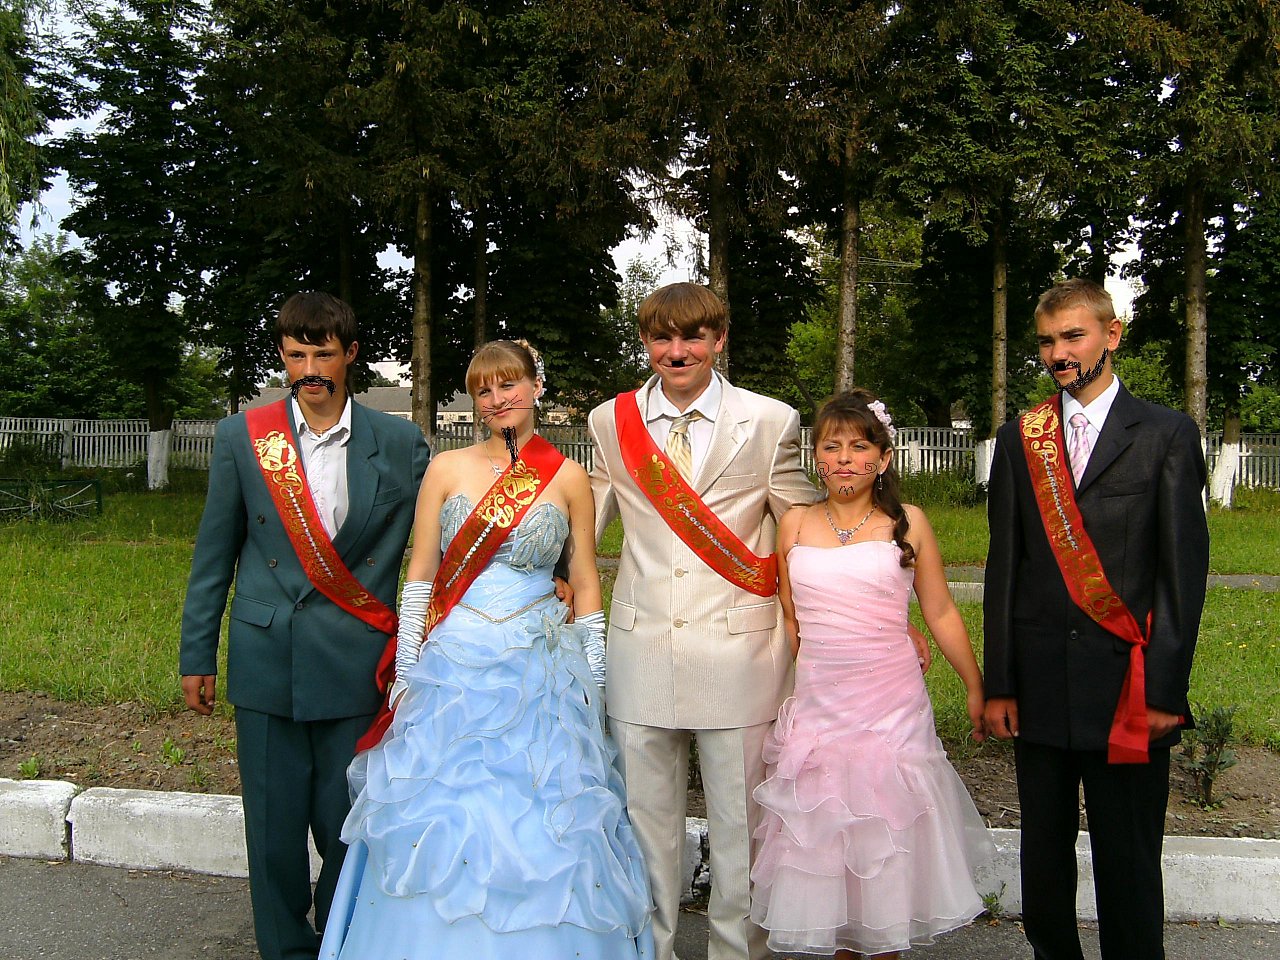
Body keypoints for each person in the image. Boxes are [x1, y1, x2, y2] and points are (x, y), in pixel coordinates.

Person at [319, 340, 653, 960]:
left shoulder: (568, 477)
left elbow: (585, 582)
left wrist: (596, 681)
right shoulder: (446, 468)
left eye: (508, 385)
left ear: (536, 386)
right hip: (454, 664)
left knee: (546, 813)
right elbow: (421, 574)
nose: (497, 400)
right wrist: (408, 668)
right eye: (483, 390)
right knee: (443, 808)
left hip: (541, 667)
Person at [179, 292, 431, 960]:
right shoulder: (244, 437)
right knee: (273, 833)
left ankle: (340, 945)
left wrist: (551, 564)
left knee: (347, 825)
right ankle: (284, 950)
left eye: (324, 353)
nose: (310, 369)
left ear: (351, 355)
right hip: (267, 659)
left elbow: (452, 529)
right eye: (297, 355)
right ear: (283, 357)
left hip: (356, 662)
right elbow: (214, 556)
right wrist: (196, 653)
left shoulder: (400, 443)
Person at [587, 282, 819, 960]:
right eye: (662, 337)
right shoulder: (609, 422)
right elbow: (581, 524)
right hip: (640, 649)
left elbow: (802, 528)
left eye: (693, 336)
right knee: (644, 827)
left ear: (719, 340)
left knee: (742, 827)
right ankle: (650, 950)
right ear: (645, 343)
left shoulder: (770, 419)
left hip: (740, 654)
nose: (678, 350)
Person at [983, 278, 1210, 960]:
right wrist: (1001, 684)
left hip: (1128, 688)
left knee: (1129, 860)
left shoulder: (1167, 434)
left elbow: (1182, 575)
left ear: (1111, 335)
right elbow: (1004, 569)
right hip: (1041, 685)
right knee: (1043, 861)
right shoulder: (1019, 439)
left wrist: (1166, 691)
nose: (1059, 353)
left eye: (1073, 336)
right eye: (1047, 341)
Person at [749, 390, 995, 959]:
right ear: (816, 456)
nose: (845, 459)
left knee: (886, 831)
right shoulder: (794, 523)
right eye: (831, 446)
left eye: (860, 447)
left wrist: (974, 685)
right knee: (828, 835)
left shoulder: (907, 523)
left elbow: (940, 611)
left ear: (883, 459)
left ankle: (885, 945)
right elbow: (791, 616)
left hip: (891, 706)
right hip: (822, 705)